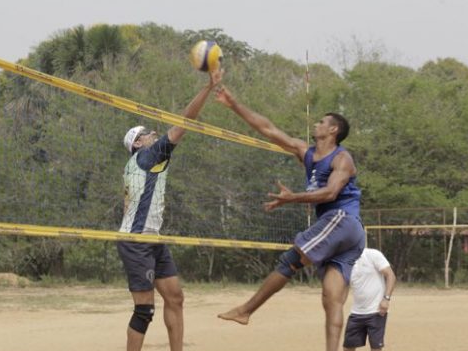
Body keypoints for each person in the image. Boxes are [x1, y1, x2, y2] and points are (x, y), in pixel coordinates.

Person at [214, 86, 365, 351]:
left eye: (322, 121)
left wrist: (291, 197)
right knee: (332, 299)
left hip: (341, 219)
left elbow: (330, 193)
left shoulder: (342, 158)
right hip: (347, 234)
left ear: (333, 130)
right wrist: (234, 104)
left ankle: (246, 310)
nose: (316, 124)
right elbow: (268, 129)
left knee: (290, 260)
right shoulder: (305, 152)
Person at [117, 69, 222, 351]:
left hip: (152, 238)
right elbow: (185, 121)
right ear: (137, 144)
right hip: (137, 241)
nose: (153, 134)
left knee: (175, 297)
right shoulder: (146, 155)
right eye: (146, 133)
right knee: (144, 310)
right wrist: (208, 88)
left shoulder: (142, 163)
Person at [344, 248, 396, 351]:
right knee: (348, 347)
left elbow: (391, 275)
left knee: (376, 348)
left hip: (376, 312)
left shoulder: (372, 254)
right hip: (356, 312)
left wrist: (386, 299)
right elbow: (344, 287)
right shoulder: (345, 261)